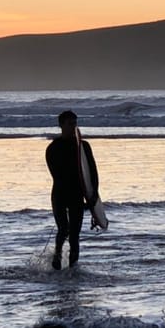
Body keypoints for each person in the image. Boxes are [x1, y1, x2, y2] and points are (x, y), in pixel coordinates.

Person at [45, 110, 99, 269]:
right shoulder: (53, 148)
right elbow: (57, 175)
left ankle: (73, 268)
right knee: (63, 229)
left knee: (75, 234)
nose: (73, 127)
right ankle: (57, 258)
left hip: (77, 194)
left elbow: (92, 171)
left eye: (75, 123)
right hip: (60, 194)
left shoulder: (84, 146)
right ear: (61, 125)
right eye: (70, 124)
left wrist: (93, 194)